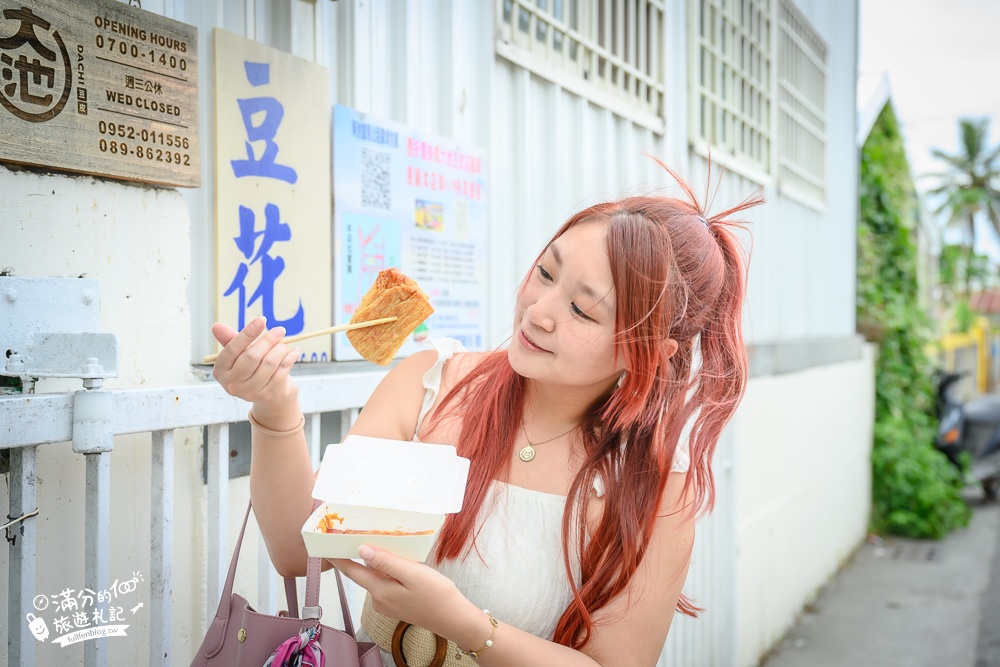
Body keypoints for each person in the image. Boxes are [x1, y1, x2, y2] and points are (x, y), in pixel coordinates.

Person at [211, 161, 763, 667]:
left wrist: (466, 625)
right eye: (546, 272)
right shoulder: (432, 385)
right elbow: (297, 549)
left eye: (581, 309)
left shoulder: (652, 481)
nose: (539, 312)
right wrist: (275, 406)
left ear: (646, 351)